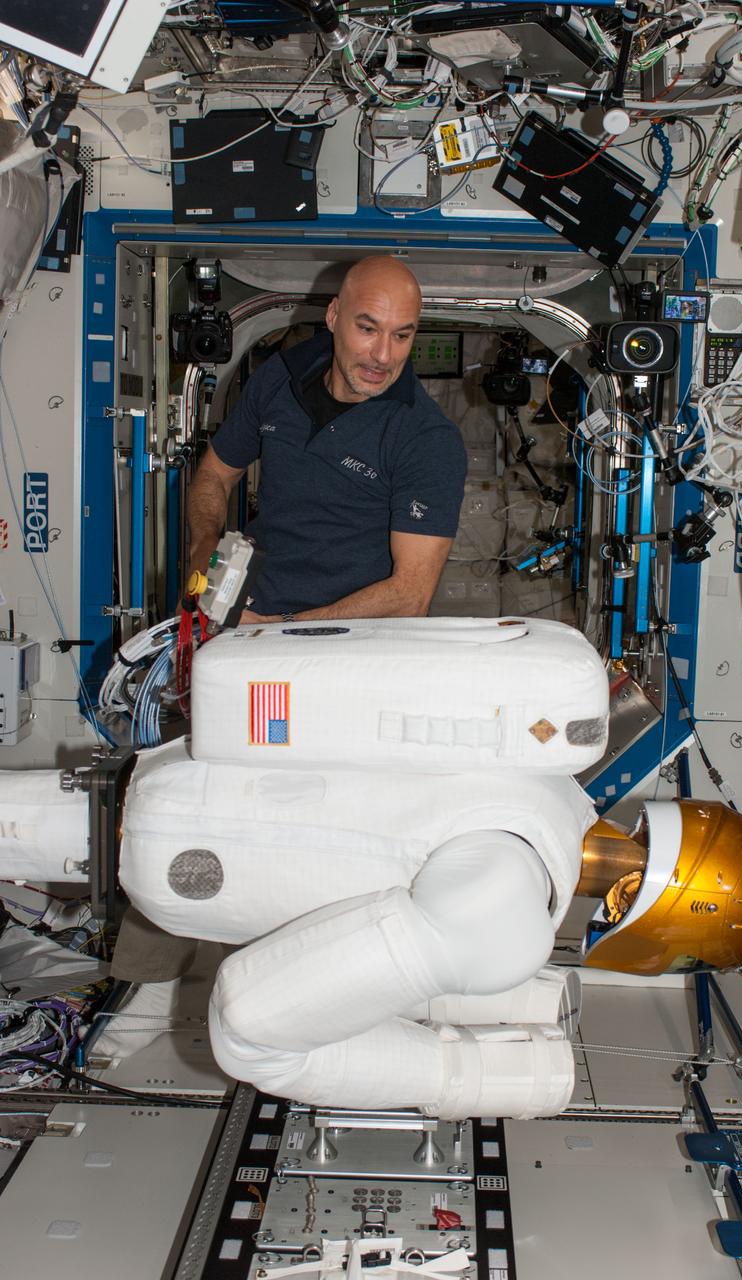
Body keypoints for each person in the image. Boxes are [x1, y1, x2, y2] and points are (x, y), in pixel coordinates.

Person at [98, 256, 467, 1059]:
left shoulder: (425, 439)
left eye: (403, 335)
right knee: (183, 793)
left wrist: (282, 633)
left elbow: (409, 593)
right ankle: (153, 983)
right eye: (367, 328)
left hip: (348, 658)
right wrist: (204, 551)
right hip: (250, 632)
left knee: (330, 830)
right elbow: (214, 475)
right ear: (332, 317)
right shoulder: (280, 377)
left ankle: (344, 998)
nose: (383, 354)